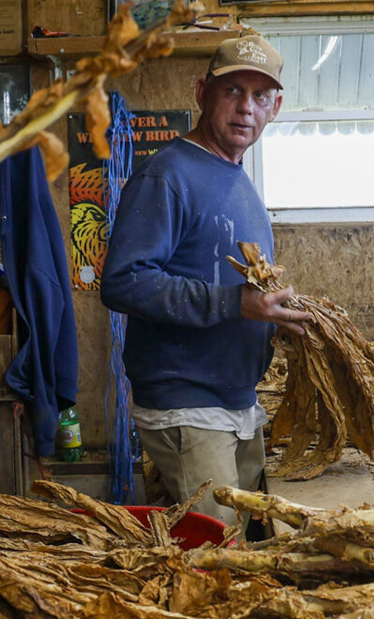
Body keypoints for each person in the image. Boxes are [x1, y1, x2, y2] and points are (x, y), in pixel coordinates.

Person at [100, 35, 304, 526]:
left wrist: (274, 320)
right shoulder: (167, 175)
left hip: (236, 405)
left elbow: (229, 286)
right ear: (201, 93)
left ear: (275, 108)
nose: (244, 108)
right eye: (232, 90)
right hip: (188, 408)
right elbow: (124, 282)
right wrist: (236, 305)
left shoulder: (238, 181)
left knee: (246, 548)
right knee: (219, 557)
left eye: (259, 97)